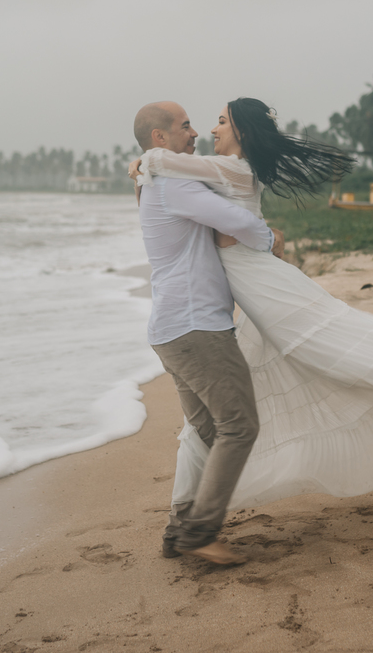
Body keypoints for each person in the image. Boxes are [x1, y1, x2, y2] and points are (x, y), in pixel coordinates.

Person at [130, 98, 373, 514]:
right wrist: (146, 165)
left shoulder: (232, 170)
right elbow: (182, 176)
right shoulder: (224, 171)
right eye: (198, 124)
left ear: (241, 131)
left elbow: (184, 177)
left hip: (268, 290)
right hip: (256, 291)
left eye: (221, 122)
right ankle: (188, 512)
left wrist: (145, 162)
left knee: (345, 351)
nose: (208, 131)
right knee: (338, 354)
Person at [133, 100, 286, 566]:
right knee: (239, 426)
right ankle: (200, 532)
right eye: (184, 127)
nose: (195, 133)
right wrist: (271, 241)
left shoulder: (162, 178)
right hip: (197, 326)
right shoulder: (173, 184)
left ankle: (179, 530)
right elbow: (236, 221)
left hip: (173, 327)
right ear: (160, 139)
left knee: (205, 432)